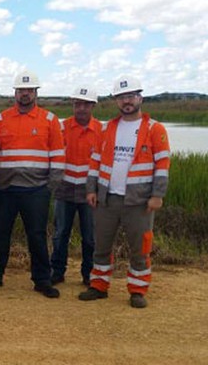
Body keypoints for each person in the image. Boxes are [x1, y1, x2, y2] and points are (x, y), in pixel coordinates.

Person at [79, 75, 170, 308]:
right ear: (116, 101)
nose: (126, 101)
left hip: (138, 202)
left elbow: (162, 165)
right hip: (107, 199)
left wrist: (157, 195)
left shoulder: (154, 129)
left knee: (140, 248)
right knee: (101, 245)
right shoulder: (107, 128)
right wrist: (91, 189)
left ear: (140, 97)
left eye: (130, 96)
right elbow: (95, 161)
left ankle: (137, 290)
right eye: (121, 98)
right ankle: (98, 285)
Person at [0, 70, 64, 299]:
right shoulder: (1, 119)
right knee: (0, 234)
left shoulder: (49, 120)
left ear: (36, 93)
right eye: (21, 90)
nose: (25, 94)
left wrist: (50, 188)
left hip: (37, 190)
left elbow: (58, 156)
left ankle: (42, 280)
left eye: (29, 90)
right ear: (14, 93)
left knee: (36, 235)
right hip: (6, 189)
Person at [50, 87, 102, 287]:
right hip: (64, 189)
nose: (81, 108)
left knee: (90, 237)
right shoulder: (61, 128)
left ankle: (89, 273)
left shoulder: (101, 131)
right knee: (60, 233)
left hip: (90, 193)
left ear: (93, 106)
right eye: (77, 104)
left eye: (86, 104)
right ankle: (57, 271)